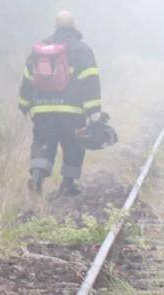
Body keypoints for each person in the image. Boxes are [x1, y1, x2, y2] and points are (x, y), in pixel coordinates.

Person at [18, 10, 102, 196]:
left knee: (43, 141)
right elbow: (90, 81)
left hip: (42, 109)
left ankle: (38, 174)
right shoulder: (82, 50)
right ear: (74, 26)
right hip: (71, 111)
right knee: (73, 144)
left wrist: (24, 104)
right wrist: (93, 111)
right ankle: (68, 184)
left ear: (55, 26)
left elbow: (27, 77)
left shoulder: (40, 49)